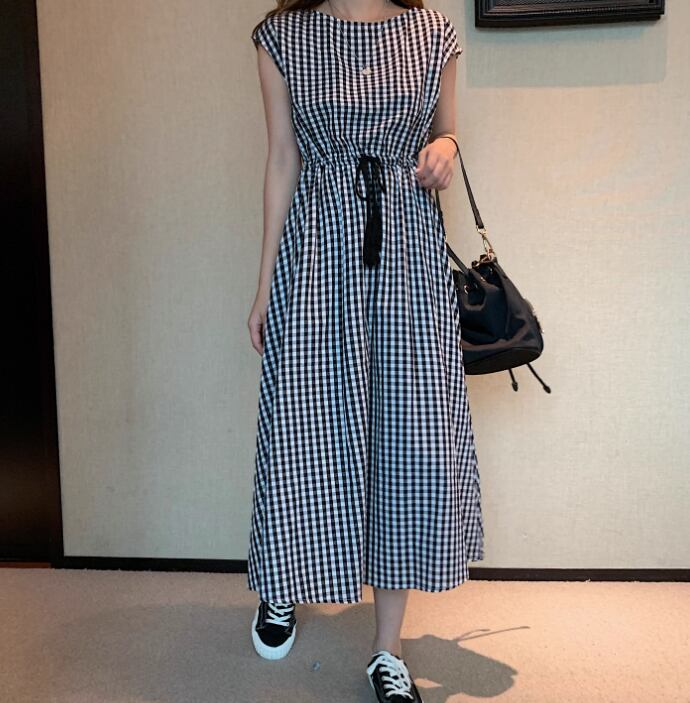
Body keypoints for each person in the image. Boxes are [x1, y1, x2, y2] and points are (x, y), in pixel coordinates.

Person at [247, 1, 484, 700]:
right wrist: (264, 285)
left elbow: (445, 132)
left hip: (407, 253)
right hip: (318, 250)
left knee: (407, 439)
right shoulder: (281, 36)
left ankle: (388, 648)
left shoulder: (431, 32)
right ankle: (283, 577)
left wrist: (449, 146)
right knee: (304, 424)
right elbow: (282, 159)